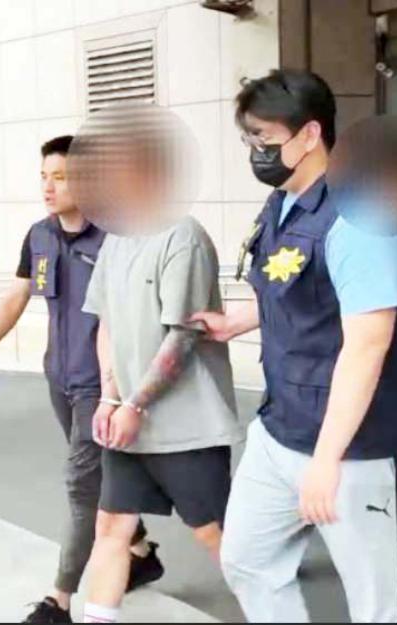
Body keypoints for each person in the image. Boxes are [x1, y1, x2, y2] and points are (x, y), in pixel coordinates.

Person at [193, 70, 397, 622]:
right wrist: (235, 322)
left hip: (354, 447)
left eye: (265, 138)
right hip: (281, 427)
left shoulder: (360, 218)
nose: (255, 152)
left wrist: (326, 458)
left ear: (311, 133)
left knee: (375, 604)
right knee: (247, 560)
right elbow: (291, 290)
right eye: (248, 138)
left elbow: (368, 344)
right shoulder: (283, 204)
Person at [0, 135, 164, 624]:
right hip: (58, 379)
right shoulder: (39, 236)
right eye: (44, 177)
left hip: (101, 386)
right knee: (97, 479)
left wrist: (124, 389)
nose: (49, 187)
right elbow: (16, 296)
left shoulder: (117, 238)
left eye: (61, 177)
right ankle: (139, 552)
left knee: (80, 485)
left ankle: (59, 601)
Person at [79, 126, 242, 625]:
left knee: (216, 536)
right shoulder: (116, 239)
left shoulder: (183, 235)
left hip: (185, 428)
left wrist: (136, 404)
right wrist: (111, 398)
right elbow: (106, 323)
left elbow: (183, 334)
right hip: (128, 425)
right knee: (112, 529)